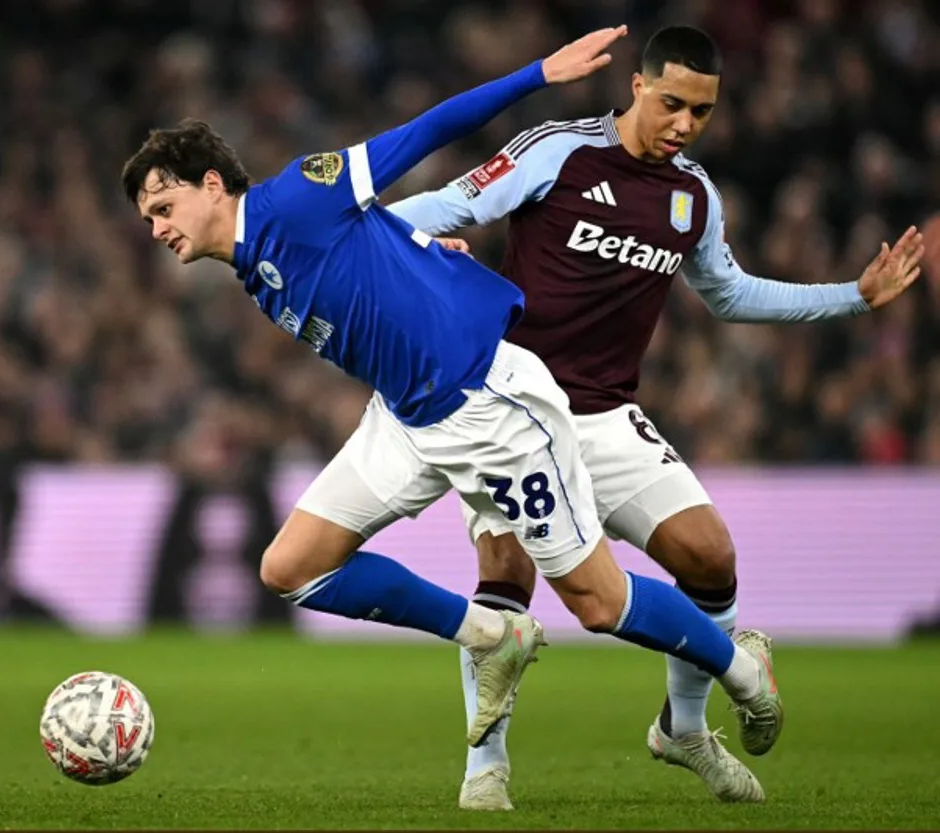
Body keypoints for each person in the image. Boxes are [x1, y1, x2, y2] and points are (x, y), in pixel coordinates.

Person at [120, 25, 780, 758]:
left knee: (598, 600)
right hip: (406, 418)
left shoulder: (297, 196)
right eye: (149, 218)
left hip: (489, 405)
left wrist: (534, 74)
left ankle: (742, 670)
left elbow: (426, 131)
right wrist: (421, 252)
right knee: (290, 568)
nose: (157, 228)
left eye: (163, 206)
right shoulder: (254, 264)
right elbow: (372, 258)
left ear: (212, 184)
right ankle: (490, 632)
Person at [388, 25, 924, 808]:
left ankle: (682, 725)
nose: (684, 123)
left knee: (709, 558)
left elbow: (731, 293)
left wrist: (853, 295)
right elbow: (438, 205)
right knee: (506, 572)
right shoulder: (558, 152)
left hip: (607, 416)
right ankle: (486, 767)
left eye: (701, 112)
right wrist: (418, 244)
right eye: (672, 102)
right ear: (637, 87)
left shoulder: (693, 197)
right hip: (508, 406)